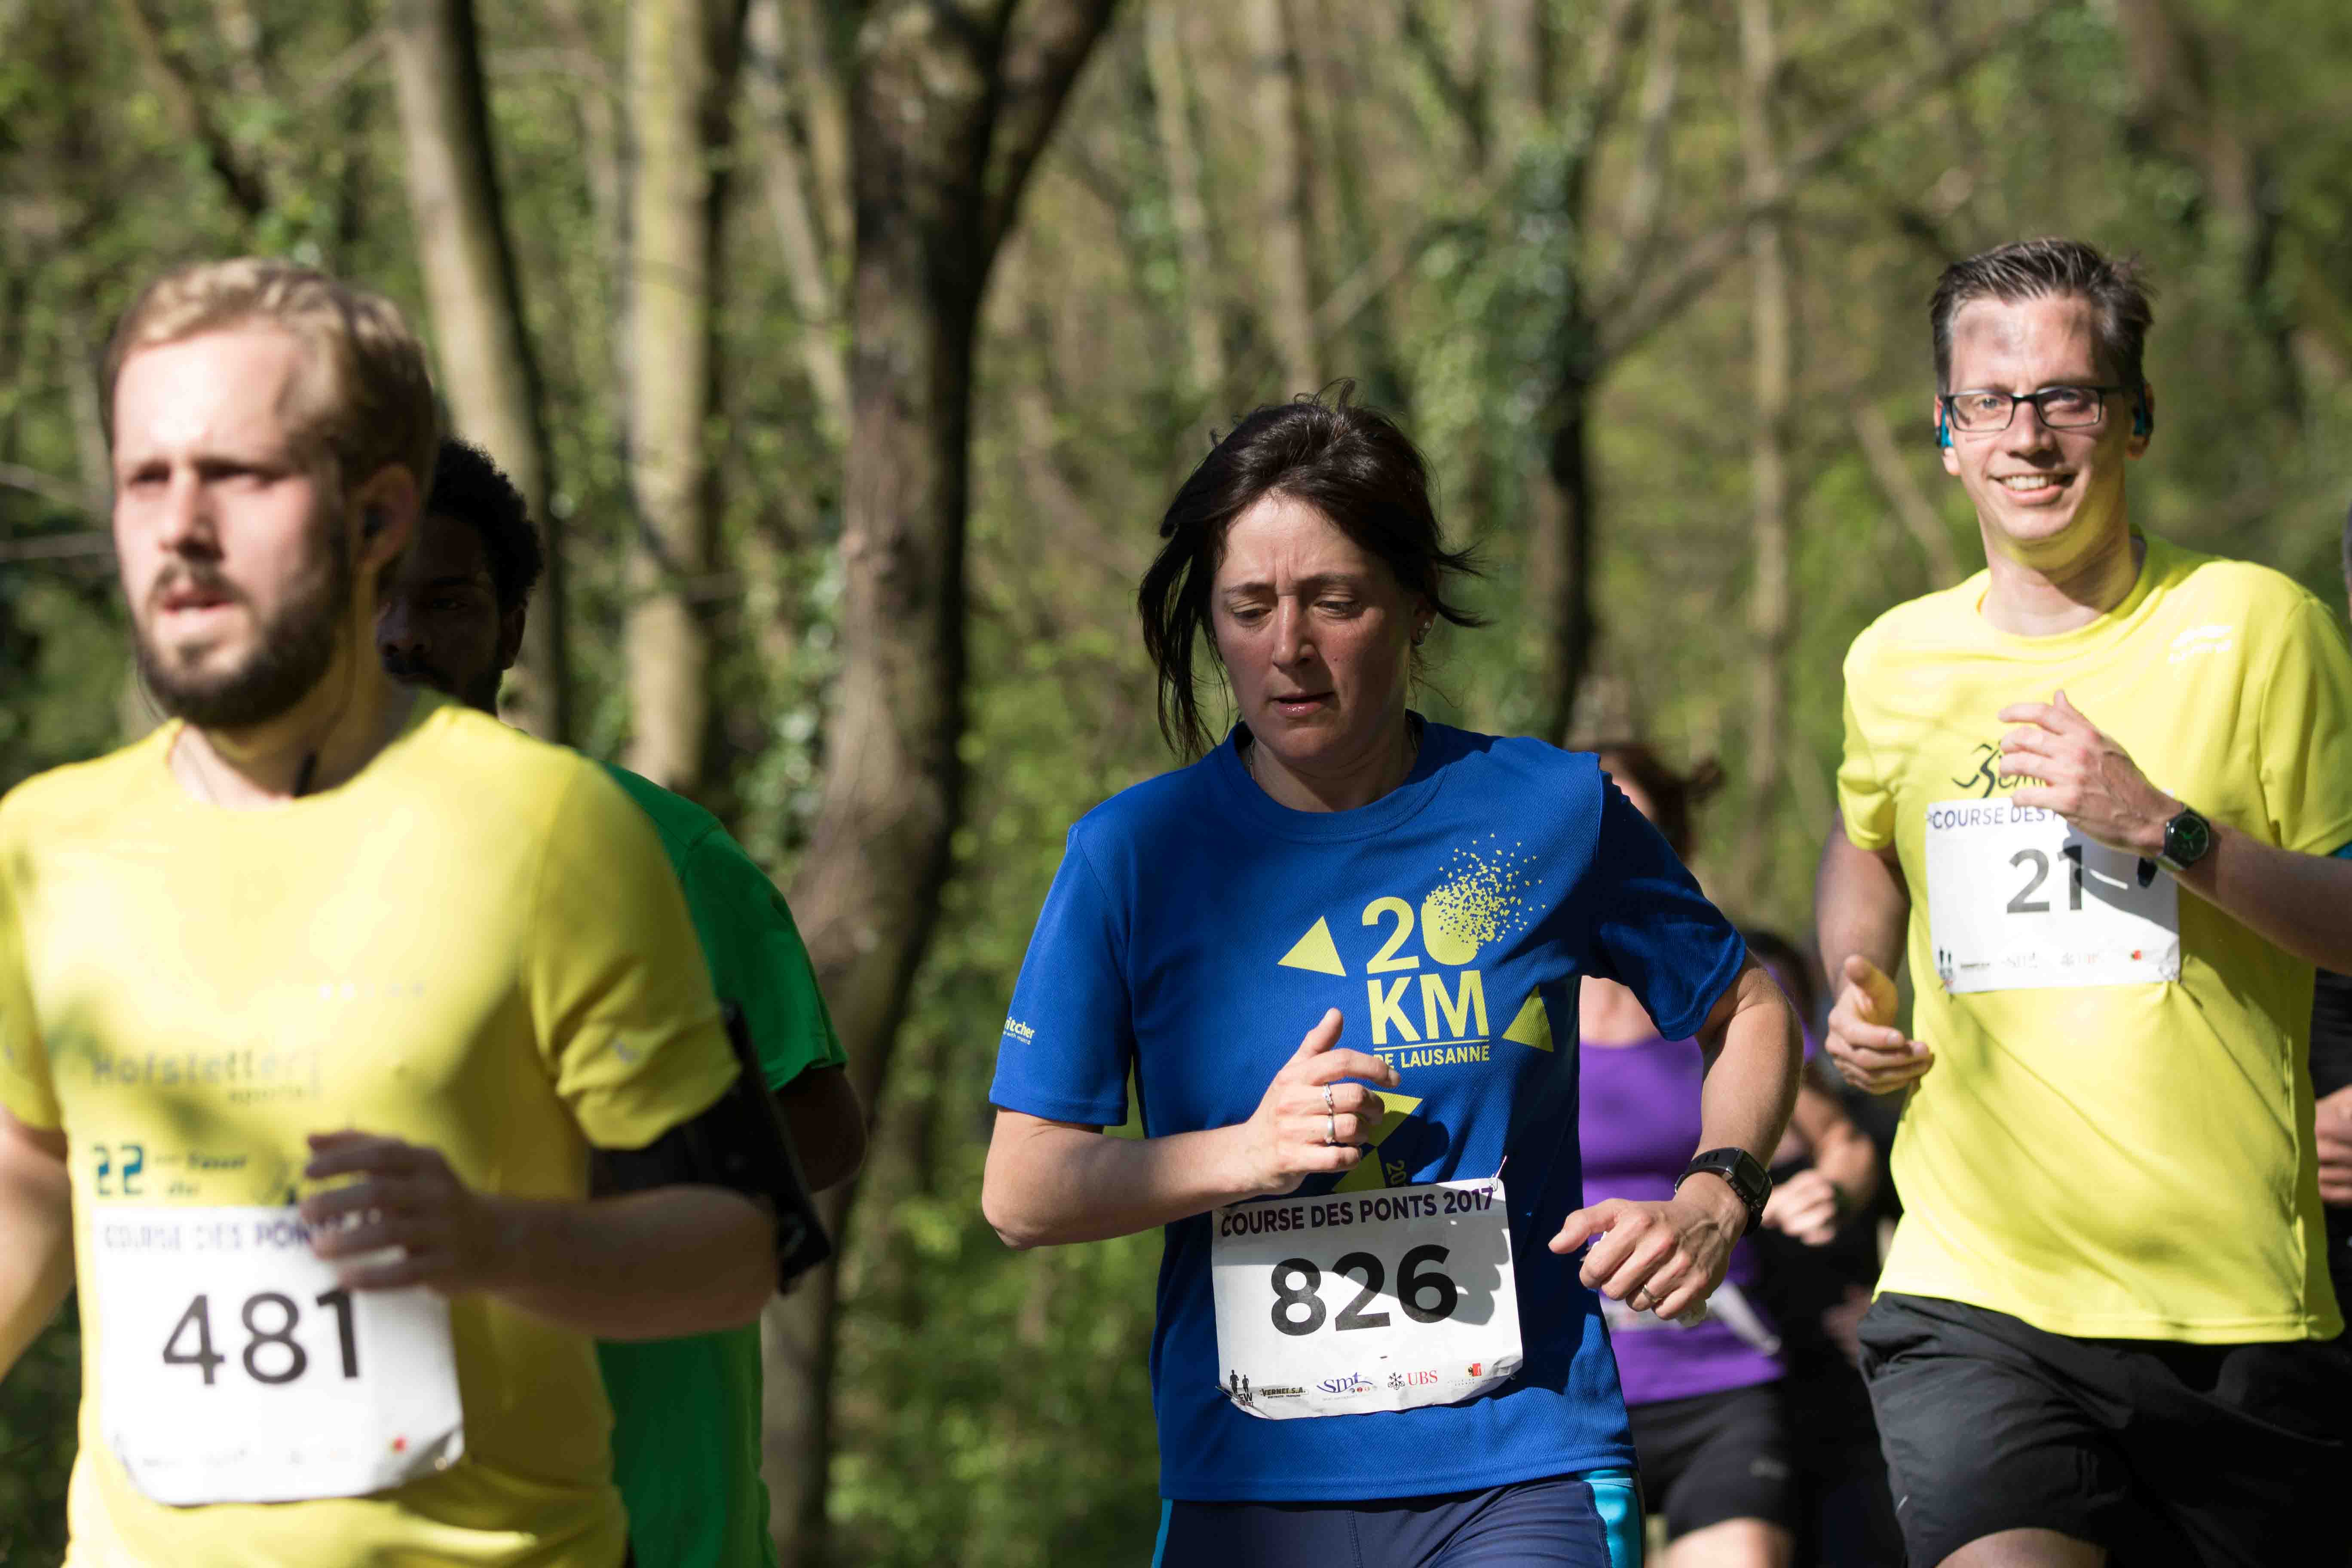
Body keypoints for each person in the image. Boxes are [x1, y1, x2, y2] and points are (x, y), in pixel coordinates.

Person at [0, 259, 788, 1567]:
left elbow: (736, 1243)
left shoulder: (559, 831)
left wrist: (495, 1240)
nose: (181, 526)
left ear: (375, 519)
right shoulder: (43, 844)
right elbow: (30, 1175)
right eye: (146, 478)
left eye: (239, 475)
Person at [979, 389, 1803, 1568]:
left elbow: (1750, 1008)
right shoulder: (1138, 856)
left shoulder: (1548, 812)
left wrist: (1716, 1196)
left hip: (1522, 1462)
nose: (1289, 647)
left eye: (1334, 602)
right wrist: (1246, 1154)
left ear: (1415, 608)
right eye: (1249, 608)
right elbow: (1023, 1190)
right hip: (1249, 1484)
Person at [1819, 237, 2352, 1568]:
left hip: (2235, 1308)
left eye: (2068, 396)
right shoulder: (1893, 661)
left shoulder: (2262, 627)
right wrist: (1855, 977)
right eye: (1991, 402)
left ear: (2136, 419)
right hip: (1977, 1289)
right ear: (1946, 434)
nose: (2029, 435)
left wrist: (2165, 829)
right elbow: (1866, 837)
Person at [377, 434, 865, 1568]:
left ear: (510, 629)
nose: (403, 636)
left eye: (446, 602)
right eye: (373, 602)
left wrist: (572, 1173)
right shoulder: (260, 875)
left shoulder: (659, 851)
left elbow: (825, 1131)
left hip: (651, 1513)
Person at [1574, 744, 1880, 1568]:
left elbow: (1846, 1143)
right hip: (1560, 1395)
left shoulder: (1726, 1006)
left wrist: (1826, 1193)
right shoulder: (1498, 1004)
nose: (1599, 850)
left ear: (1668, 853)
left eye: (1626, 830)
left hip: (1720, 1378)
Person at [1736, 928, 1902, 1568]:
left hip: (1848, 1404)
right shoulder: (1687, 1138)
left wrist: (1889, 1314)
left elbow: (1934, 1230)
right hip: (1739, 1393)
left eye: (1785, 1001)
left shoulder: (1864, 1129)